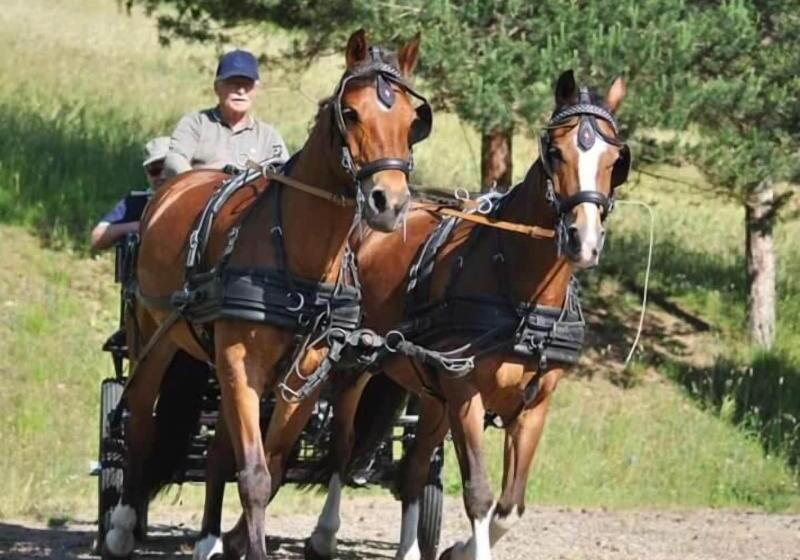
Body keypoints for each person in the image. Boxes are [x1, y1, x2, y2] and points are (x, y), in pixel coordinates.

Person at [164, 49, 289, 178]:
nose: (241, 91)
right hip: (200, 195)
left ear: (256, 90)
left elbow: (284, 176)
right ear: (217, 87)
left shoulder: (268, 136)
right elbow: (174, 159)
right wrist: (194, 183)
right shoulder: (196, 123)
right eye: (233, 83)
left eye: (247, 85)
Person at [90, 137, 169, 251]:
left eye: (168, 168)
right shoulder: (135, 202)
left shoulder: (194, 201)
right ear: (146, 172)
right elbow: (96, 238)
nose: (162, 176)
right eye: (155, 170)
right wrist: (138, 227)